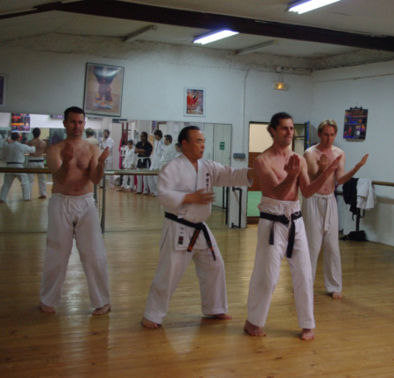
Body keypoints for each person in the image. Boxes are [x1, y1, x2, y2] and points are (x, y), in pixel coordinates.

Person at [142, 126, 253, 329]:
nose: (203, 145)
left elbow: (230, 174)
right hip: (178, 227)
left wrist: (253, 173)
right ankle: (152, 314)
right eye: (198, 141)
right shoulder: (172, 167)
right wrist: (191, 197)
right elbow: (164, 196)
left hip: (200, 228)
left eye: (203, 141)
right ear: (185, 143)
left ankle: (215, 307)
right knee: (169, 272)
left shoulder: (207, 166)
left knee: (214, 265)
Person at [244, 112, 341, 341]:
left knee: (304, 274)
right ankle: (253, 321)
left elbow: (306, 191)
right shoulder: (262, 160)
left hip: (295, 219)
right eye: (284, 128)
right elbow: (276, 191)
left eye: (290, 128)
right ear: (273, 130)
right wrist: (292, 175)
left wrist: (327, 172)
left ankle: (307, 324)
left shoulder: (298, 158)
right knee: (267, 276)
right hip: (272, 220)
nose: (289, 133)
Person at [39, 106, 111, 316]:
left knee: (94, 254)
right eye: (73, 122)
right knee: (57, 253)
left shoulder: (92, 149)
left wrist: (102, 164)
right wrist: (67, 162)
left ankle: (102, 300)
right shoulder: (54, 150)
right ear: (65, 123)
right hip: (61, 202)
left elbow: (96, 179)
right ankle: (48, 299)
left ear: (84, 123)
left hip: (86, 202)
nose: (77, 126)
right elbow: (60, 178)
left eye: (80, 122)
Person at [302, 119, 368, 299]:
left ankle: (334, 286)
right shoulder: (310, 153)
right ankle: (304, 284)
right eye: (326, 134)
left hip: (330, 200)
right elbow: (313, 178)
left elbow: (340, 179)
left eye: (332, 135)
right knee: (312, 245)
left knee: (332, 245)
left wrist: (356, 168)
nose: (329, 138)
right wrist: (323, 170)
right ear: (319, 134)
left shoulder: (339, 153)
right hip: (313, 200)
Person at [0, 132, 35, 203]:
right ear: (18, 138)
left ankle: (2, 198)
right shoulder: (21, 146)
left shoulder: (7, 146)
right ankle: (26, 197)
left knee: (6, 184)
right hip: (19, 166)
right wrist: (33, 145)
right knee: (25, 182)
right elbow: (32, 150)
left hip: (9, 166)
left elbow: (2, 157)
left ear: (11, 138)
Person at [26, 127, 48, 199]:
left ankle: (28, 195)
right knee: (42, 178)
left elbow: (28, 151)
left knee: (30, 179)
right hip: (40, 161)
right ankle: (43, 193)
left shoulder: (30, 143)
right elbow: (45, 151)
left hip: (32, 160)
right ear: (40, 134)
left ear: (33, 133)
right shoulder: (43, 143)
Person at [146, 129, 165, 197]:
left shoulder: (162, 142)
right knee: (149, 175)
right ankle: (153, 191)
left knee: (156, 177)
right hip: (154, 160)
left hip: (159, 160)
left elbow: (163, 152)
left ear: (159, 135)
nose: (155, 137)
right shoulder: (156, 142)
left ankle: (158, 192)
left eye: (156, 136)